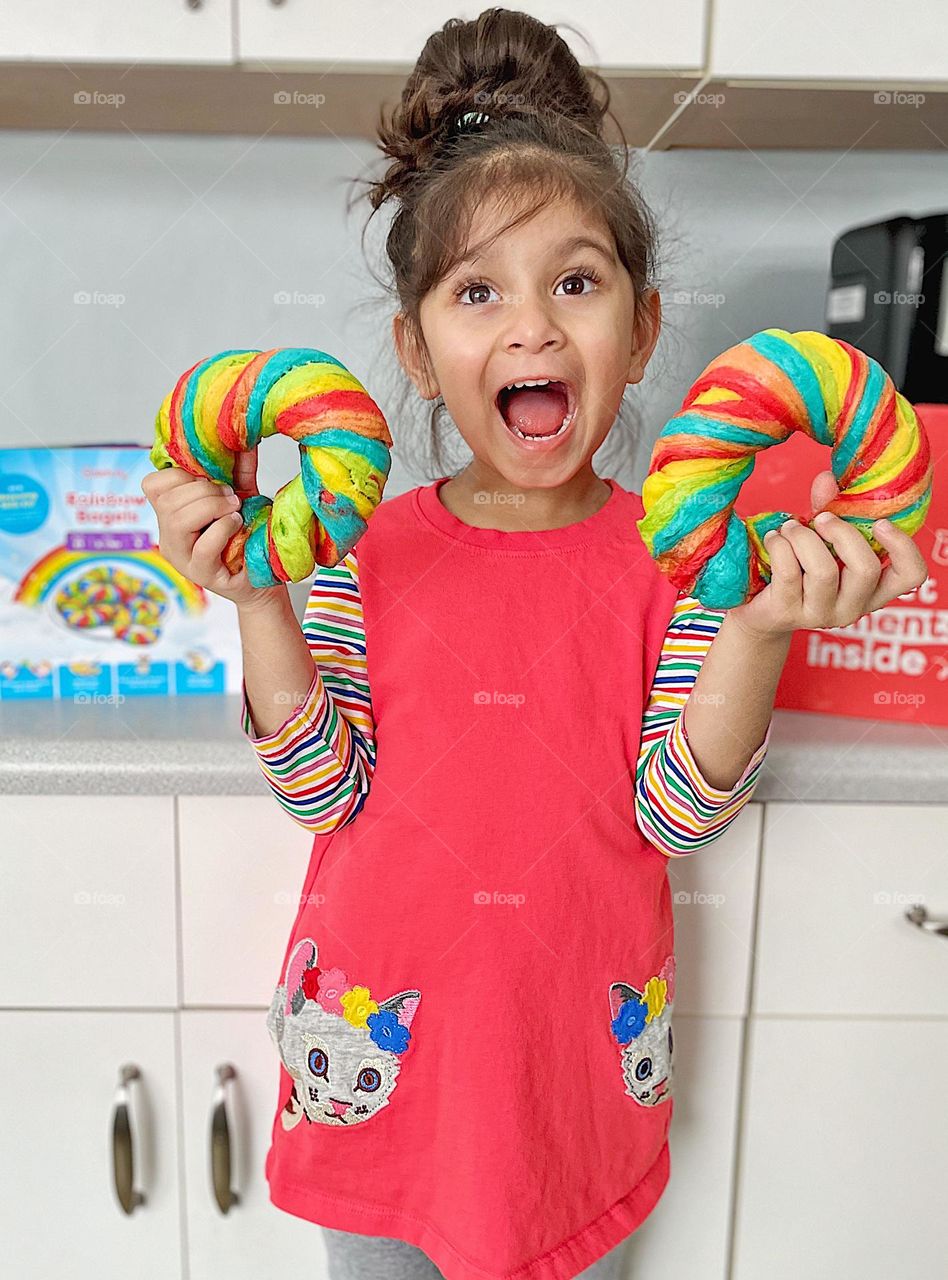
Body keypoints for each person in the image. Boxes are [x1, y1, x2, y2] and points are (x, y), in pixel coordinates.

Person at [141, 10, 928, 1280]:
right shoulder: (352, 547)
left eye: (576, 281)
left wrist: (755, 621)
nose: (533, 329)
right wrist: (256, 593)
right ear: (416, 347)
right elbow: (320, 787)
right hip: (375, 1073)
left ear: (643, 324)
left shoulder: (683, 556)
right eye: (476, 291)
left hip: (575, 1093)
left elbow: (677, 815)